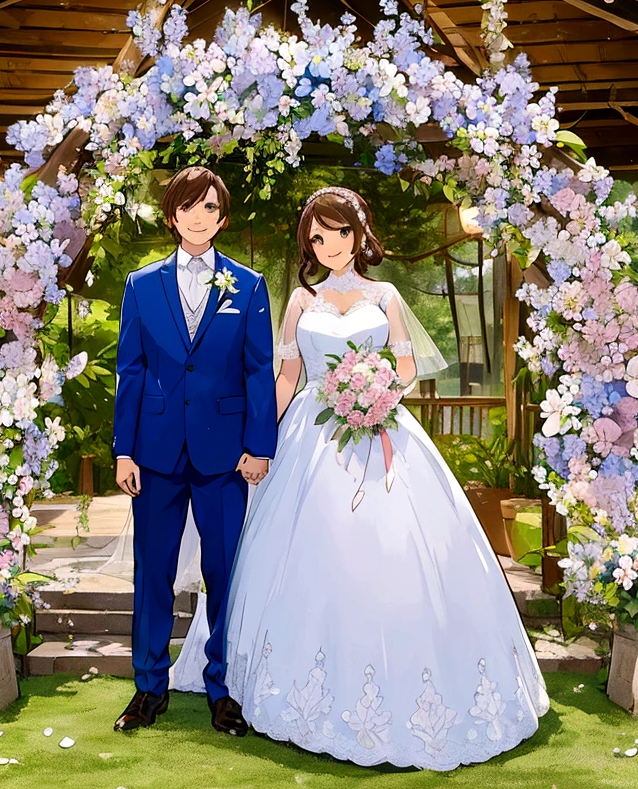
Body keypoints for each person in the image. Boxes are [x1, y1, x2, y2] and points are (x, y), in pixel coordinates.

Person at [178, 186, 549, 769]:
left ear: (359, 234)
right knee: (308, 550)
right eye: (318, 237)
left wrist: (375, 398)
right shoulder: (300, 303)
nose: (330, 246)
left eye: (340, 233)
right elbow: (285, 380)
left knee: (400, 548)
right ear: (309, 244)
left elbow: (404, 369)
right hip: (312, 432)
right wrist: (259, 443)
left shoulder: (387, 295)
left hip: (381, 428)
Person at [111, 166, 277, 736]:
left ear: (222, 217)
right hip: (154, 453)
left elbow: (260, 371)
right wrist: (123, 450)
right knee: (151, 572)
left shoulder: (249, 285)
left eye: (210, 207)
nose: (199, 216)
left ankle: (223, 690)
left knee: (224, 571)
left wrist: (259, 446)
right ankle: (147, 690)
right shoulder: (141, 284)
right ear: (173, 214)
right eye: (189, 206)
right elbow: (129, 370)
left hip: (226, 455)